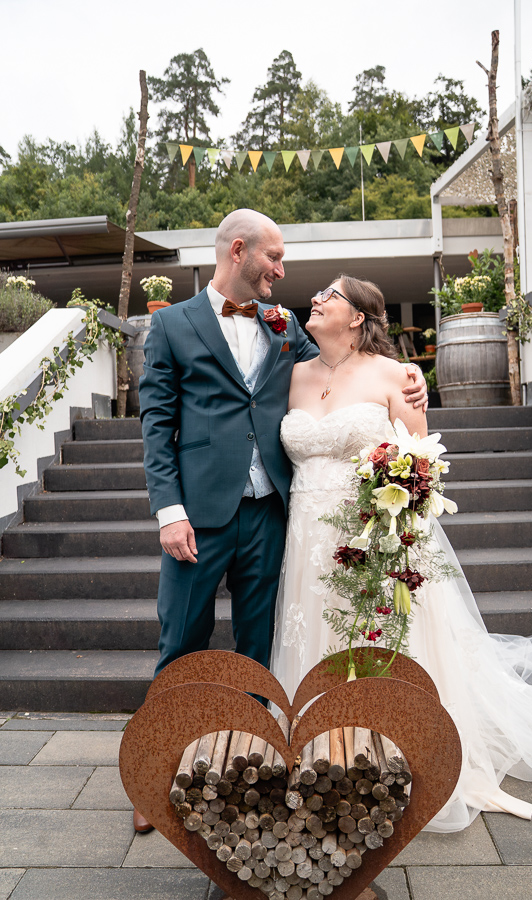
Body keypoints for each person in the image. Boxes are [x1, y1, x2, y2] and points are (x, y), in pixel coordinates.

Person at [270, 273, 532, 834]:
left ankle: (396, 745)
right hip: (305, 537)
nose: (317, 299)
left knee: (379, 635)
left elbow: (417, 455)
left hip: (371, 530)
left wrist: (393, 524)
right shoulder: (294, 371)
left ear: (356, 317)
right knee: (314, 633)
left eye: (330, 294)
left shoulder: (394, 373)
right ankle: (322, 748)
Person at [136, 210, 427, 833]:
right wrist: (169, 511)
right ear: (238, 251)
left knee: (257, 651)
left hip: (273, 513)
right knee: (180, 644)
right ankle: (153, 773)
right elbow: (157, 423)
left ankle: (245, 768)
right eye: (273, 258)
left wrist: (408, 381)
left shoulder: (285, 325)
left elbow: (342, 365)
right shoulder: (171, 326)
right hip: (198, 516)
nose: (282, 271)